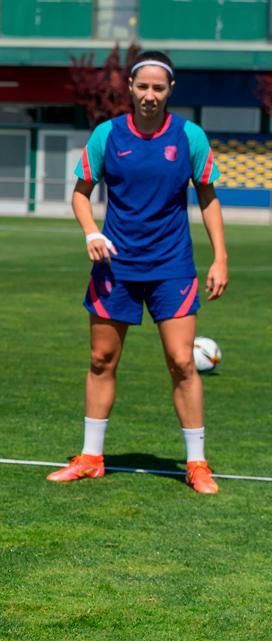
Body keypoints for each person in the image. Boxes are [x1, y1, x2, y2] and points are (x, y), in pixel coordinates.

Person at [48, 50, 228, 494]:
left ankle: (197, 463)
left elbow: (208, 198)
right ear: (130, 87)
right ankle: (91, 458)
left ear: (170, 91)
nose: (149, 95)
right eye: (142, 87)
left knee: (183, 362)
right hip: (115, 267)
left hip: (172, 266)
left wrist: (220, 258)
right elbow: (79, 193)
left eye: (158, 88)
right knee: (100, 360)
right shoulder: (107, 135)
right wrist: (91, 231)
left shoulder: (190, 137)